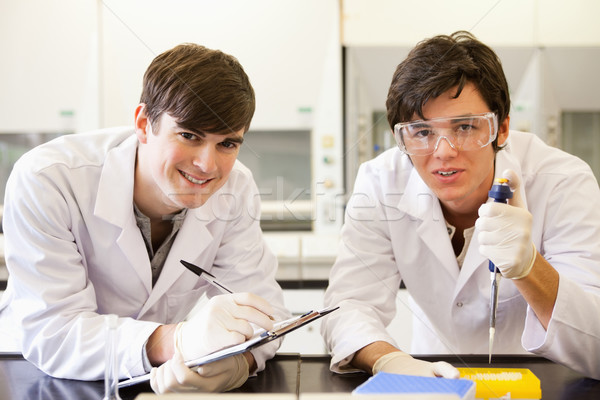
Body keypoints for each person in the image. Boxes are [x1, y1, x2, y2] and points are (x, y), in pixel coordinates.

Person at [0, 43, 290, 393]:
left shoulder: (236, 186)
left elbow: (264, 314)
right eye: (189, 135)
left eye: (227, 144)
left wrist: (235, 363)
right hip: (38, 376)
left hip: (155, 376)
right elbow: (56, 331)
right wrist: (181, 340)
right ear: (143, 123)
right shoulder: (49, 179)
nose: (207, 165)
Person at [322, 31, 600, 380]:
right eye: (421, 132)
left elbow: (596, 345)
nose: (443, 151)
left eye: (465, 127)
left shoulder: (562, 181)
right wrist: (391, 361)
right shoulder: (380, 183)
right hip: (433, 377)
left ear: (502, 129)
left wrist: (529, 267)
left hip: (545, 382)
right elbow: (349, 306)